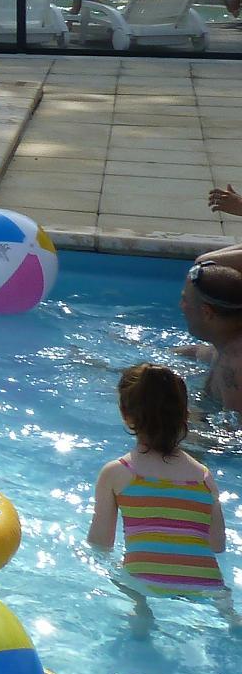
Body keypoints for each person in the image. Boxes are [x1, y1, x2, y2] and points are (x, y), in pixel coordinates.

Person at [87, 364, 233, 623]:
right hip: (206, 585)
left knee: (123, 579)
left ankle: (141, 610)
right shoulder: (203, 476)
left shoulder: (117, 472)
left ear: (125, 415)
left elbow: (101, 544)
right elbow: (217, 545)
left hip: (145, 580)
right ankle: (231, 617)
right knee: (227, 609)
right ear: (185, 415)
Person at [176, 240, 242, 414]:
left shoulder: (235, 368)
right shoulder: (225, 342)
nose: (181, 306)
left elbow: (233, 430)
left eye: (185, 300)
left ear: (207, 313)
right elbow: (197, 352)